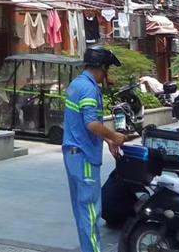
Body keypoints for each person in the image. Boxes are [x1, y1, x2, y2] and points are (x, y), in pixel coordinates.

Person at [63, 46, 125, 252]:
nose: (108, 74)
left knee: (81, 210)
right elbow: (91, 123)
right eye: (108, 68)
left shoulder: (77, 84)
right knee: (90, 211)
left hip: (73, 154)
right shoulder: (89, 88)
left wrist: (106, 141)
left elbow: (82, 122)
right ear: (101, 67)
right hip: (84, 157)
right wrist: (113, 136)